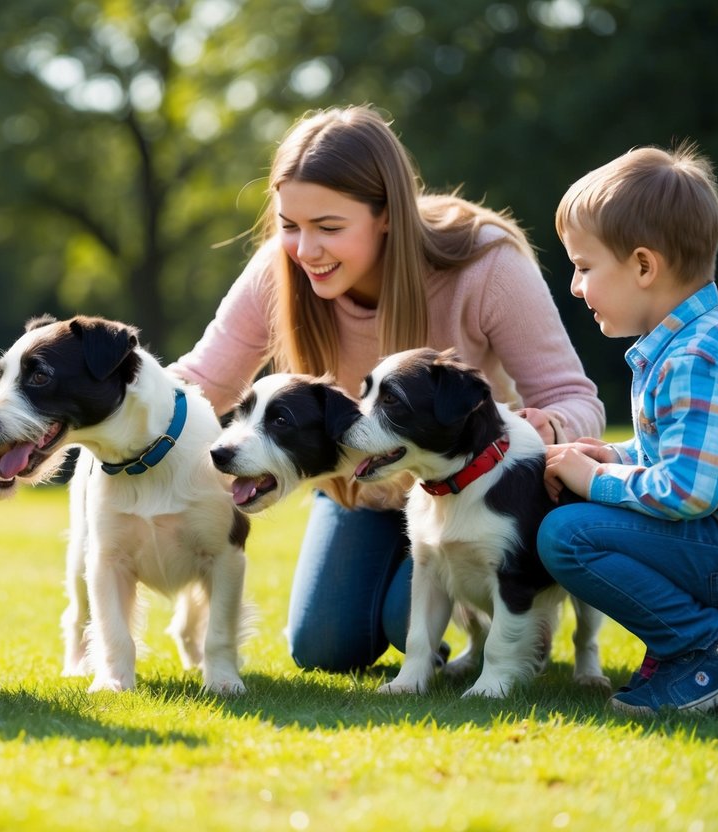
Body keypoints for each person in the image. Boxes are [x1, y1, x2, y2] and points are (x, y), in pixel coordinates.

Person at [171, 104, 605, 673]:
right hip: (360, 493)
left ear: (388, 216)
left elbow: (577, 399)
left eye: (329, 228)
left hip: (469, 493)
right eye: (289, 225)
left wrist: (542, 428)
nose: (305, 250)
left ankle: (512, 618)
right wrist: (124, 407)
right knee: (324, 646)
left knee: (409, 621)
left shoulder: (485, 263)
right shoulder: (278, 268)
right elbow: (200, 383)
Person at [538, 143, 718, 716]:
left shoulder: (698, 360)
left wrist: (594, 480)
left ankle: (709, 648)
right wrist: (613, 456)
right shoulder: (686, 343)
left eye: (584, 267)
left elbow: (688, 492)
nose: (575, 287)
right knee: (574, 520)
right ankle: (688, 648)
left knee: (568, 535)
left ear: (644, 266)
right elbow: (675, 455)